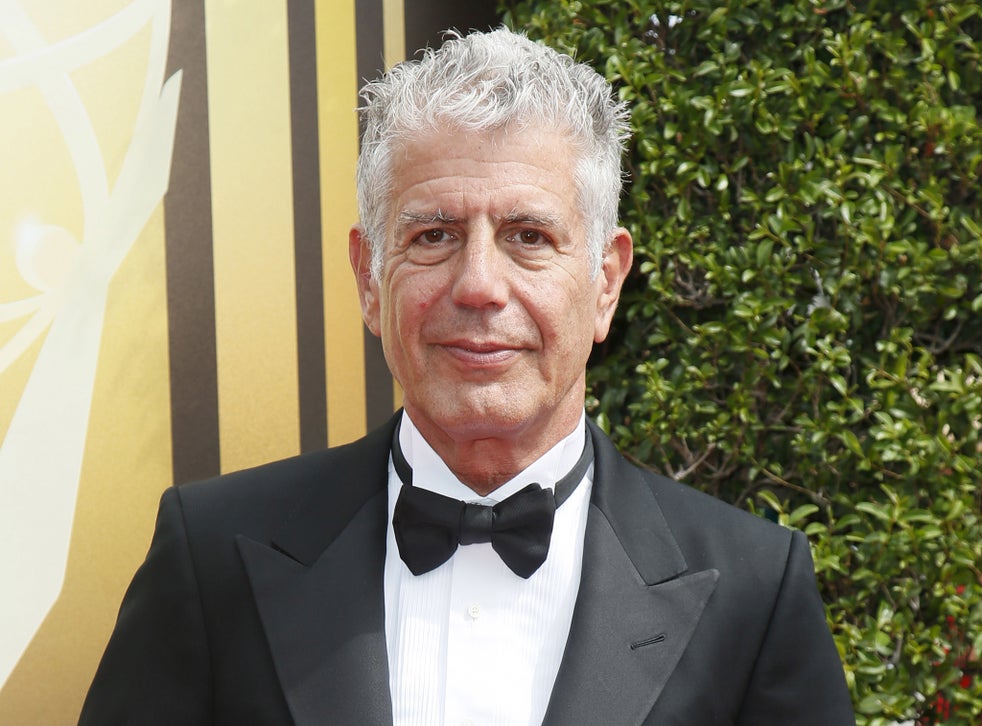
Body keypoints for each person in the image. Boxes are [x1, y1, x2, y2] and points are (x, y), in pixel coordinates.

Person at [80, 27, 854, 725]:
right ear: (369, 277)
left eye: (528, 235)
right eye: (434, 234)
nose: (479, 284)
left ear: (606, 282)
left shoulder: (755, 591)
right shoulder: (211, 556)